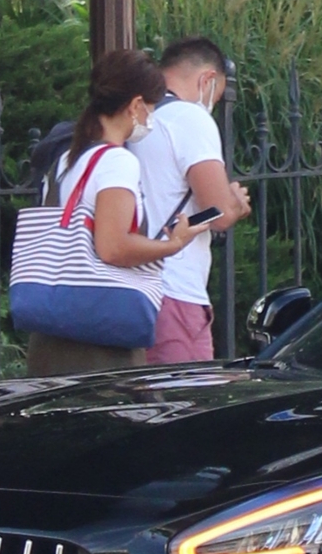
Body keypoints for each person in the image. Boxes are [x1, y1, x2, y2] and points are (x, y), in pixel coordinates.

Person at [26, 49, 206, 377]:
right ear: (136, 106)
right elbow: (112, 246)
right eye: (151, 108)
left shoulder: (68, 160)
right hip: (99, 340)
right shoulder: (116, 161)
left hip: (52, 337)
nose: (151, 118)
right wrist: (172, 244)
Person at [131, 36, 252, 364]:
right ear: (207, 80)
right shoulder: (191, 118)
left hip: (133, 291)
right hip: (175, 289)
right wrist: (236, 203)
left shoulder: (138, 119)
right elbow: (218, 213)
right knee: (185, 402)